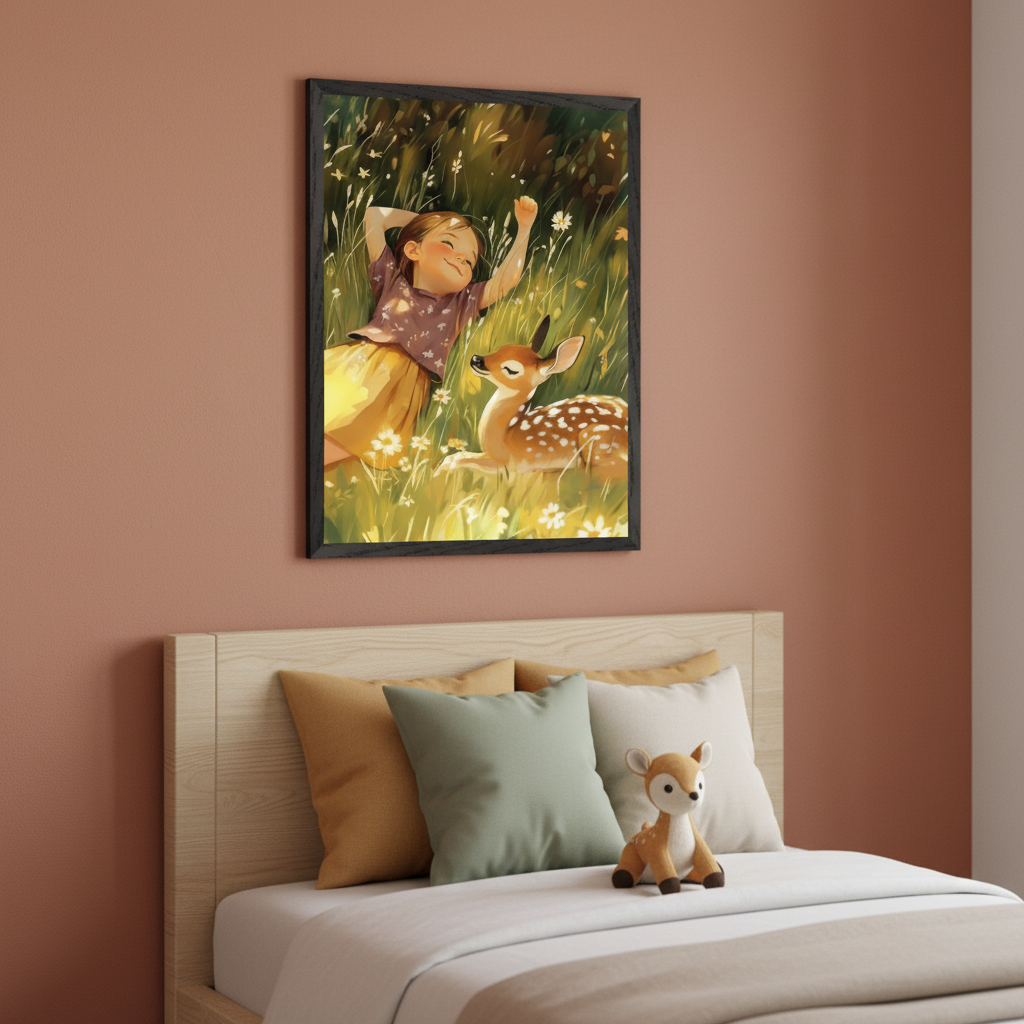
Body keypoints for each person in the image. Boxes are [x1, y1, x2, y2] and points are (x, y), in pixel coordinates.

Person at [324, 197, 538, 469]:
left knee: (347, 437)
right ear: (413, 250)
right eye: (449, 244)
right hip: (359, 366)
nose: (461, 257)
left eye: (470, 261)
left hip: (400, 389)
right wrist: (424, 223)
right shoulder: (391, 278)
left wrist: (525, 227)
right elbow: (374, 216)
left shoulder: (462, 302)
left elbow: (505, 281)